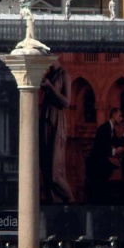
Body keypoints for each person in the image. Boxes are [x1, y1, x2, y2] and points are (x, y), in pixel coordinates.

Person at [40, 62, 74, 204]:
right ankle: (53, 204)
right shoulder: (49, 75)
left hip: (56, 121)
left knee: (55, 174)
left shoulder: (64, 74)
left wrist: (50, 87)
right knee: (46, 171)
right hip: (46, 120)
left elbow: (66, 102)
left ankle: (71, 201)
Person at [85, 107, 124, 202]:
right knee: (116, 169)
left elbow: (116, 142)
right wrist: (115, 151)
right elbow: (100, 148)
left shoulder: (112, 130)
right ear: (114, 115)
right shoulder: (104, 128)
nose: (121, 118)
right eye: (120, 116)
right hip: (96, 162)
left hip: (103, 160)